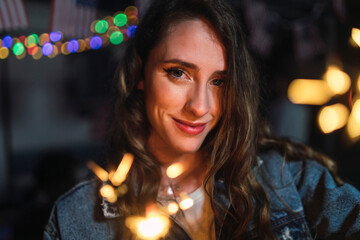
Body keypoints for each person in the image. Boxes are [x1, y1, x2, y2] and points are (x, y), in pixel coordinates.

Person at [43, 0, 360, 239]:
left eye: (219, 81)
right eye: (178, 73)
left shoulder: (292, 180)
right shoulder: (80, 218)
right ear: (140, 72)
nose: (200, 107)